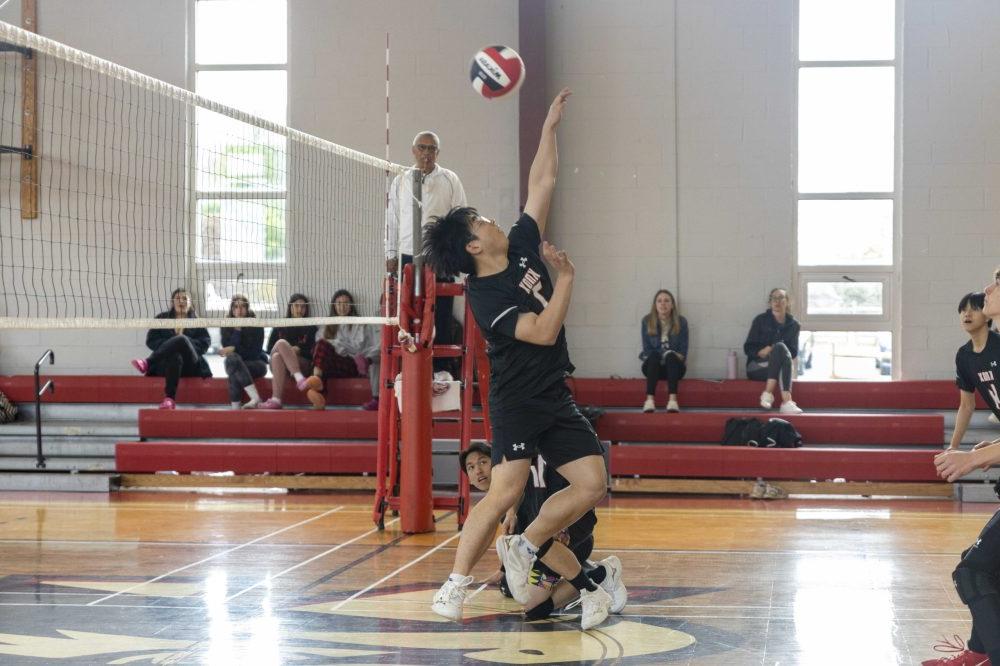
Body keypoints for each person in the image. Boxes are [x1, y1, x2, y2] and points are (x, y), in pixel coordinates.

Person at [423, 88, 613, 630]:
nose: (490, 220)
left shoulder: (524, 244)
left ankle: (525, 546)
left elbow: (542, 183)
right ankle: (455, 585)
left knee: (592, 482)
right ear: (474, 247)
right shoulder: (486, 297)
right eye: (480, 221)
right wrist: (569, 278)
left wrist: (549, 128)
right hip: (518, 399)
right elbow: (546, 327)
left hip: (554, 392)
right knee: (505, 489)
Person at [459, 442, 627, 623]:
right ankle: (584, 571)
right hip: (546, 548)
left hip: (566, 540)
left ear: (498, 463)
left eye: (483, 462)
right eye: (471, 467)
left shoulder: (528, 466)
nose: (478, 471)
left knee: (532, 603)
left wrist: (514, 514)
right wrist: (503, 570)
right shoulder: (502, 499)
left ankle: (601, 573)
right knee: (523, 599)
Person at [929, 268, 1000, 666]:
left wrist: (972, 457)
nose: (987, 288)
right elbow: (966, 404)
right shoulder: (965, 355)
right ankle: (978, 652)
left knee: (972, 572)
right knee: (985, 571)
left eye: (997, 280)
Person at [385, 130, 467, 370]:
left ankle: (441, 370)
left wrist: (457, 254)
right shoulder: (401, 180)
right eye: (422, 147)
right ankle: (408, 370)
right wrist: (390, 254)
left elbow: (462, 217)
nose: (427, 153)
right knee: (407, 316)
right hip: (408, 254)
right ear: (414, 151)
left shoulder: (450, 179)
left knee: (441, 314)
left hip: (440, 256)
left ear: (438, 152)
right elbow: (392, 221)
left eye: (432, 149)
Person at [130, 288, 211, 410]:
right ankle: (169, 399)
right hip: (167, 365)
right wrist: (171, 345)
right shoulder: (161, 318)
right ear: (172, 302)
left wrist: (185, 343)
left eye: (185, 299)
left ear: (191, 303)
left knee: (182, 339)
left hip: (191, 365)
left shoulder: (197, 321)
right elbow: (151, 340)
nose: (181, 301)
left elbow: (205, 344)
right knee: (175, 355)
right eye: (178, 298)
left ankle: (148, 362)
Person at [309, 290, 381, 411]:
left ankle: (318, 388)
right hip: (332, 362)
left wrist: (336, 344)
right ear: (334, 305)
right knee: (322, 348)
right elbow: (319, 343)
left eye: (346, 303)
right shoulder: (328, 323)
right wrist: (339, 345)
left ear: (351, 305)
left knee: (324, 350)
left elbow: (358, 348)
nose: (342, 307)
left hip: (351, 363)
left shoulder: (359, 323)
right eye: (339, 303)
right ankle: (317, 385)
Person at [743, 287, 803, 414]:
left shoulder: (794, 325)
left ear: (787, 302)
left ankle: (768, 394)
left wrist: (775, 349)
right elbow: (748, 347)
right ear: (770, 302)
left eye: (781, 298)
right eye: (774, 298)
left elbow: (793, 352)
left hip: (779, 368)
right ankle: (787, 402)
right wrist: (761, 352)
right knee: (780, 348)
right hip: (757, 367)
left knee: (780, 348)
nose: (777, 301)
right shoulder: (760, 320)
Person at [256, 294, 317, 410]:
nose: (299, 309)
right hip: (280, 366)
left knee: (277, 356)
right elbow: (269, 348)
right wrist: (287, 350)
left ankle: (276, 400)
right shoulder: (281, 324)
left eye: (303, 307)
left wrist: (299, 350)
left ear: (306, 309)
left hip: (302, 364)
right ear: (290, 307)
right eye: (297, 306)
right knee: (280, 346)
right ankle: (299, 379)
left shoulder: (311, 326)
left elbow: (313, 352)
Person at [639, 289, 689, 413]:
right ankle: (649, 401)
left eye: (667, 301)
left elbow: (683, 353)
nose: (663, 304)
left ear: (672, 305)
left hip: (675, 369)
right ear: (655, 305)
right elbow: (646, 351)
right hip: (653, 367)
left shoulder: (681, 322)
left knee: (671, 356)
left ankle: (673, 401)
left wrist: (668, 354)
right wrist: (663, 353)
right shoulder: (647, 321)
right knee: (655, 355)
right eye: (659, 301)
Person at [218, 294, 267, 410]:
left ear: (247, 308)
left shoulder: (256, 324)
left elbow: (255, 353)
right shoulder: (226, 325)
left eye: (242, 307)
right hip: (235, 362)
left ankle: (236, 405)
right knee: (233, 362)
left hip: (256, 363)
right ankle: (254, 399)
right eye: (235, 307)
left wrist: (234, 349)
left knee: (233, 365)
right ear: (232, 309)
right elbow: (228, 352)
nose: (239, 310)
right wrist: (237, 329)